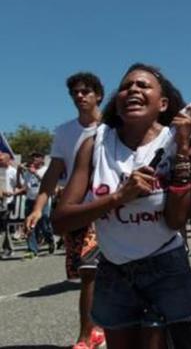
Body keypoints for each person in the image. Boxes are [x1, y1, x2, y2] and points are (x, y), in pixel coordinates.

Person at [53, 63, 191, 348]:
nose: (133, 89)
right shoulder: (95, 144)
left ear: (163, 103)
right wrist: (118, 197)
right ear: (117, 102)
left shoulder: (177, 142)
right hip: (113, 269)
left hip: (166, 268)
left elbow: (176, 221)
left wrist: (181, 150)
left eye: (143, 86)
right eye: (126, 86)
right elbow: (61, 221)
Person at [23, 72, 105, 348]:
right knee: (84, 271)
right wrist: (37, 208)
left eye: (85, 91)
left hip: (108, 207)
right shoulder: (64, 131)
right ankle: (96, 327)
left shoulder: (114, 127)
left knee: (90, 267)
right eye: (75, 93)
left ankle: (87, 334)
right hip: (75, 209)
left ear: (98, 95)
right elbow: (53, 173)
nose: (79, 96)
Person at [19, 152, 55, 259]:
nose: (34, 159)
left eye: (37, 157)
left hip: (42, 201)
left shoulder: (46, 169)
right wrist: (19, 172)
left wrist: (35, 173)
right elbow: (24, 186)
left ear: (42, 159)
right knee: (29, 224)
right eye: (33, 157)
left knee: (44, 223)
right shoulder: (28, 171)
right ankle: (32, 250)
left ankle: (50, 240)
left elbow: (48, 183)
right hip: (30, 200)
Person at [0, 153, 19, 258]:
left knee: (4, 227)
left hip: (7, 203)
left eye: (1, 160)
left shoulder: (13, 171)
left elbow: (21, 186)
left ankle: (9, 249)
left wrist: (12, 193)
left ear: (8, 160)